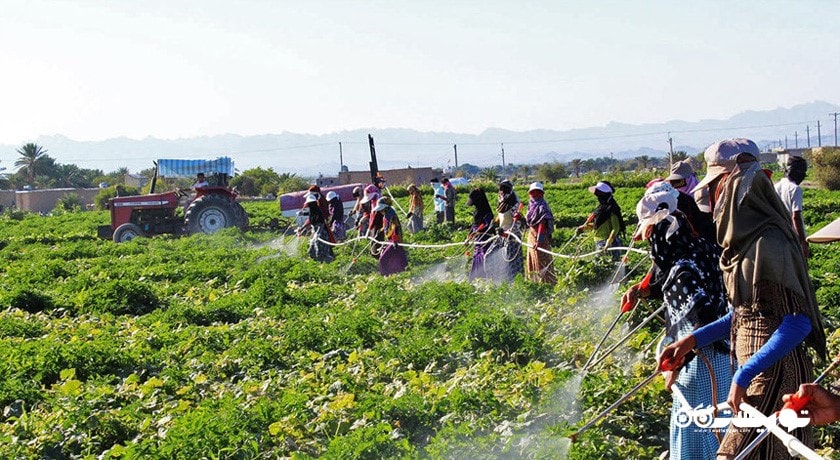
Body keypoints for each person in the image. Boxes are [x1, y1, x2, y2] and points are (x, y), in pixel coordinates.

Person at [658, 138, 826, 460]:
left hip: (775, 375)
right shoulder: (745, 243)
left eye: (719, 185)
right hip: (753, 370)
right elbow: (746, 315)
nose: (715, 196)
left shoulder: (770, 243)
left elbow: (797, 323)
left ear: (736, 184)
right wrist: (691, 340)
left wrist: (743, 375)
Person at [622, 182, 731, 460]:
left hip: (699, 366)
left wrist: (676, 364)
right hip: (723, 360)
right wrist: (643, 289)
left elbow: (700, 322)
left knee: (697, 433)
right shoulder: (702, 249)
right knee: (718, 430)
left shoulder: (680, 272)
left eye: (647, 234)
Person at [486, 179, 524, 282]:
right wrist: (495, 222)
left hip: (512, 238)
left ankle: (513, 284)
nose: (501, 191)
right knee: (488, 256)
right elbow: (501, 216)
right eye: (500, 189)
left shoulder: (513, 204)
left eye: (504, 189)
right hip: (501, 236)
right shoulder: (501, 202)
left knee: (510, 263)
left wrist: (508, 235)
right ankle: (494, 281)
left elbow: (517, 224)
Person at [577, 181, 625, 260]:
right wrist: (583, 228)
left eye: (600, 194)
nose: (598, 196)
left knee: (610, 265)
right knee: (601, 266)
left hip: (610, 244)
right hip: (599, 242)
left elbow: (615, 228)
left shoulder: (612, 209)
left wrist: (608, 242)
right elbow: (597, 225)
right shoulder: (600, 209)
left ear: (604, 195)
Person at [775, 154, 810, 258]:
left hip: (778, 236)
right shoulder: (795, 189)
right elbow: (796, 216)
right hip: (793, 238)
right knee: (799, 270)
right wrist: (803, 242)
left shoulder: (776, 186)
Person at [523, 182, 556, 285]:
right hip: (531, 236)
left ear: (542, 194)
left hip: (540, 237)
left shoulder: (542, 206)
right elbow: (529, 223)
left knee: (542, 261)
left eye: (538, 192)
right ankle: (534, 284)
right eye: (533, 192)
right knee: (532, 260)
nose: (536, 194)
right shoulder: (531, 205)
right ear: (530, 194)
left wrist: (539, 240)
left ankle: (547, 285)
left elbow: (542, 223)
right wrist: (520, 217)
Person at [368, 196, 408, 275]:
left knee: (383, 260)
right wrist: (380, 231)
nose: (380, 211)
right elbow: (387, 227)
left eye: (381, 209)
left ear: (385, 207)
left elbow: (395, 228)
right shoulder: (386, 215)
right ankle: (397, 274)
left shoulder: (391, 216)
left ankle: (385, 275)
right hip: (390, 240)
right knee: (398, 259)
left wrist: (395, 240)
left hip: (394, 241)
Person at [465, 188, 495, 281]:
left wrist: (477, 231)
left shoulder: (487, 211)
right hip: (477, 237)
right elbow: (474, 224)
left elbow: (487, 224)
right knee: (476, 254)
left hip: (485, 237)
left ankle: (485, 277)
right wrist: (469, 235)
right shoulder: (476, 211)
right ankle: (476, 277)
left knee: (483, 255)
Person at [301, 193, 335, 263]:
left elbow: (321, 224)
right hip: (316, 232)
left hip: (321, 233)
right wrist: (302, 228)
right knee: (311, 249)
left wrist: (318, 234)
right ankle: (316, 262)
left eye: (310, 203)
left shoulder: (318, 211)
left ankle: (326, 263)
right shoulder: (312, 211)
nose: (309, 205)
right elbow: (310, 220)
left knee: (321, 250)